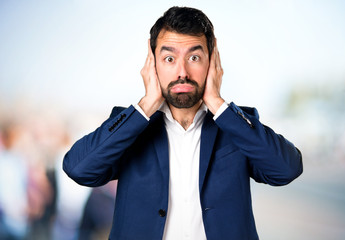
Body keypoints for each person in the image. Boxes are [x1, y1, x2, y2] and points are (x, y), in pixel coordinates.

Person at [63, 6, 303, 240]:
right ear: (152, 63)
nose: (182, 72)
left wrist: (218, 103)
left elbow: (286, 169)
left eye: (194, 57)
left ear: (212, 62)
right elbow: (78, 168)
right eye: (169, 58)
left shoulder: (235, 126)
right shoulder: (130, 127)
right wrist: (146, 104)